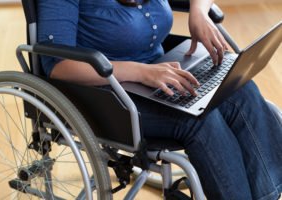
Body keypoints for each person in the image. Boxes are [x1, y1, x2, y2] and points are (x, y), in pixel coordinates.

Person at [37, 0, 282, 199]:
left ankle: (268, 195)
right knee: (200, 119)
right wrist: (141, 72)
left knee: (242, 89)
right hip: (107, 93)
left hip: (160, 70)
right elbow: (58, 66)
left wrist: (198, 12)